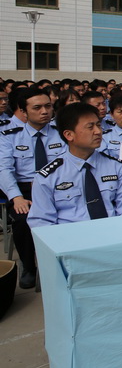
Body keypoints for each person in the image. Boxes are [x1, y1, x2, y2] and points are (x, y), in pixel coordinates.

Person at [0, 88, 67, 288]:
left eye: (48, 106)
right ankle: (29, 266)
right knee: (22, 220)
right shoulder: (9, 135)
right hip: (25, 191)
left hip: (58, 188)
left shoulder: (62, 132)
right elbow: (4, 169)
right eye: (37, 108)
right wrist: (16, 197)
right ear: (23, 111)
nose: (45, 111)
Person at [28, 103, 122, 227]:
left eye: (98, 125)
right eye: (90, 127)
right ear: (69, 135)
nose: (98, 131)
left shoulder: (115, 167)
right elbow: (42, 222)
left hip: (114, 233)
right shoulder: (48, 176)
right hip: (71, 240)